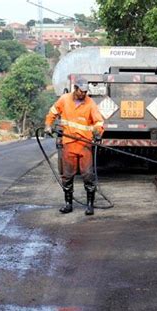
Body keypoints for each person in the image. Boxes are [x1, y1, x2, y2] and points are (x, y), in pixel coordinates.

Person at [45, 78, 104, 216]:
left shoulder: (90, 103)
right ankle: (68, 204)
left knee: (88, 175)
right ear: (75, 89)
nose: (83, 94)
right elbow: (52, 112)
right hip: (69, 143)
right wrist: (48, 125)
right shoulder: (64, 100)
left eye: (85, 92)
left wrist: (97, 132)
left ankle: (90, 205)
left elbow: (98, 121)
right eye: (81, 91)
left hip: (84, 145)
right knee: (67, 176)